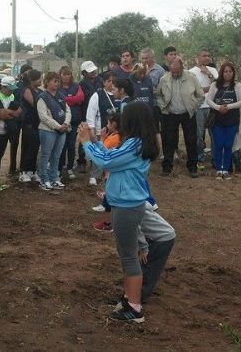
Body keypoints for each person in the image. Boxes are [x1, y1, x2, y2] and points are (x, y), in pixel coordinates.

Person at [78, 101, 160, 323]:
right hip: (125, 203)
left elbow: (105, 161)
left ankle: (134, 308)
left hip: (127, 206)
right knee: (127, 255)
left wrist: (86, 143)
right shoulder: (137, 142)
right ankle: (128, 299)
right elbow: (112, 159)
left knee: (129, 256)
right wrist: (95, 141)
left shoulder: (135, 144)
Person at [155, 56, 204, 177]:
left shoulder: (191, 77)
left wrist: (193, 106)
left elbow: (200, 95)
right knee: (168, 141)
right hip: (169, 114)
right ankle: (167, 167)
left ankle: (192, 168)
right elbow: (158, 94)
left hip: (187, 113)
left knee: (191, 141)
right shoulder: (164, 79)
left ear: (182, 67)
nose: (175, 74)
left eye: (177, 71)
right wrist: (162, 105)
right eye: (173, 71)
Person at [206, 62, 241, 179]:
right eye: (225, 71)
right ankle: (219, 169)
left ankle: (226, 169)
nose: (228, 74)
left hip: (232, 120)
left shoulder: (237, 85)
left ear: (233, 73)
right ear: (221, 73)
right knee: (219, 144)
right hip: (217, 120)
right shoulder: (215, 85)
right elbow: (209, 100)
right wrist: (219, 107)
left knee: (228, 145)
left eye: (230, 71)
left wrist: (228, 107)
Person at [0, 76, 21, 190]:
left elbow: (19, 111)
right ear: (3, 87)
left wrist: (9, 113)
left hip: (6, 131)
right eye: (9, 89)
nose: (11, 91)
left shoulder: (12, 95)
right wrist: (12, 113)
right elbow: (1, 115)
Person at [37, 72, 71, 191]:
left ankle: (54, 178)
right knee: (45, 155)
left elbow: (67, 110)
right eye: (54, 81)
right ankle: (44, 180)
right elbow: (43, 116)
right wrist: (58, 126)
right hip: (48, 130)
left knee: (56, 155)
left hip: (62, 130)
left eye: (58, 81)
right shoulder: (42, 97)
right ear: (47, 82)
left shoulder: (61, 95)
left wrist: (65, 124)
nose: (57, 83)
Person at [85, 71, 117, 185]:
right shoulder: (97, 95)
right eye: (109, 81)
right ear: (103, 82)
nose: (111, 83)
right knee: (99, 152)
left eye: (113, 81)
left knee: (113, 152)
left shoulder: (119, 94)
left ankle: (111, 174)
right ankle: (94, 175)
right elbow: (91, 113)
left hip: (116, 131)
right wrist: (91, 129)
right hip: (101, 130)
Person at [188, 49, 219, 167]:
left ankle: (215, 159)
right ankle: (200, 158)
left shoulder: (213, 71)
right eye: (204, 56)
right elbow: (192, 91)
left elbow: (218, 86)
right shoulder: (191, 72)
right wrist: (208, 88)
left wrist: (208, 74)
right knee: (198, 135)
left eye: (208, 56)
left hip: (212, 107)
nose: (207, 58)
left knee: (214, 134)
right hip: (198, 107)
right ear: (198, 57)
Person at [57, 66, 83, 180]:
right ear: (60, 75)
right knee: (62, 145)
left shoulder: (76, 86)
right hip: (61, 122)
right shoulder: (57, 87)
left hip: (75, 121)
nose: (66, 76)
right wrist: (73, 99)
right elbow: (58, 100)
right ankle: (60, 167)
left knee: (71, 145)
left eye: (68, 74)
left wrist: (66, 100)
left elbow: (81, 98)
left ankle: (70, 167)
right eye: (64, 74)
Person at [18, 69, 42, 183]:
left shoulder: (38, 90)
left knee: (35, 147)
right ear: (32, 80)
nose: (41, 80)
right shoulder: (27, 90)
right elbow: (36, 105)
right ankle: (23, 171)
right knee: (28, 147)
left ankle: (32, 171)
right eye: (39, 78)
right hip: (29, 123)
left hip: (37, 123)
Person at [76, 61, 99, 173]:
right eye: (90, 71)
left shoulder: (100, 82)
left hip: (98, 115)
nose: (93, 72)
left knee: (97, 137)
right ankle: (81, 161)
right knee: (84, 138)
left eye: (93, 70)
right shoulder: (81, 85)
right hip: (85, 114)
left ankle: (95, 161)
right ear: (84, 73)